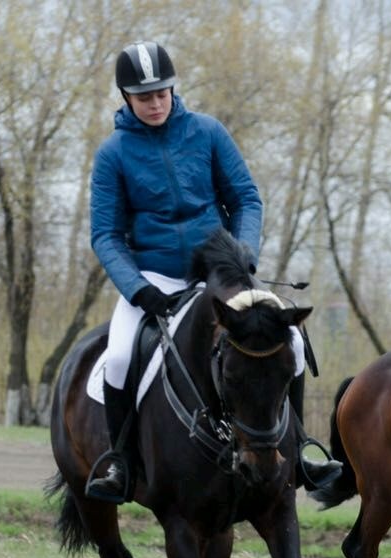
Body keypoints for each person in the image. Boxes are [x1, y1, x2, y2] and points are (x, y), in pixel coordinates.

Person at [84, 40, 339, 503]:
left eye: (162, 93)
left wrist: (244, 257)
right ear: (126, 98)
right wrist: (139, 290)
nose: (156, 103)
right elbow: (105, 235)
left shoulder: (208, 132)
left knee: (294, 341)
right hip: (154, 276)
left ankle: (299, 450)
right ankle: (121, 462)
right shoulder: (113, 154)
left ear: (172, 89)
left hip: (221, 271)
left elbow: (246, 198)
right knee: (119, 357)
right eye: (145, 97)